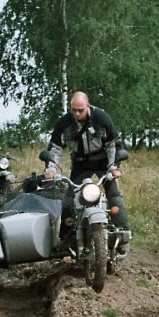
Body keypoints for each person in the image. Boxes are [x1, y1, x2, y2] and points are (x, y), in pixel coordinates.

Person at [46, 91, 131, 256]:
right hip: (80, 163)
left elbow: (114, 144)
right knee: (69, 199)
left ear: (88, 106)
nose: (77, 114)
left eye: (81, 110)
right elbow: (55, 148)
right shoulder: (64, 123)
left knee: (114, 195)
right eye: (74, 110)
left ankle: (123, 234)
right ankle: (66, 238)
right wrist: (51, 169)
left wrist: (114, 167)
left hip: (103, 162)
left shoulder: (101, 118)